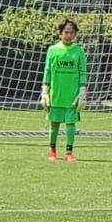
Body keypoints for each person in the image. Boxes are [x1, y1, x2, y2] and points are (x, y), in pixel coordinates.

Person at [41, 18, 88, 163]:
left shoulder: (78, 51)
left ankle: (69, 152)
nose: (68, 35)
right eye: (66, 32)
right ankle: (52, 150)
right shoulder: (53, 50)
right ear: (60, 33)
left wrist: (82, 91)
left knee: (70, 123)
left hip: (72, 95)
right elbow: (47, 71)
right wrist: (44, 91)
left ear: (75, 34)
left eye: (71, 32)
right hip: (56, 94)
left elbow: (83, 71)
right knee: (54, 123)